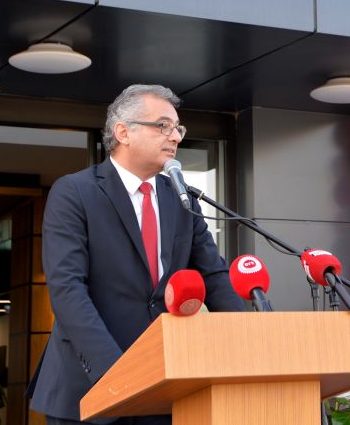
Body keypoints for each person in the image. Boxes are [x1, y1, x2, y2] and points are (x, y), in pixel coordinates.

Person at [28, 84, 244, 424]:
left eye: (178, 128)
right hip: (89, 388)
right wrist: (118, 373)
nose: (175, 136)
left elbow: (214, 275)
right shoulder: (75, 192)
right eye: (163, 126)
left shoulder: (182, 198)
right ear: (123, 132)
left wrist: (250, 339)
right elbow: (67, 289)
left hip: (163, 385)